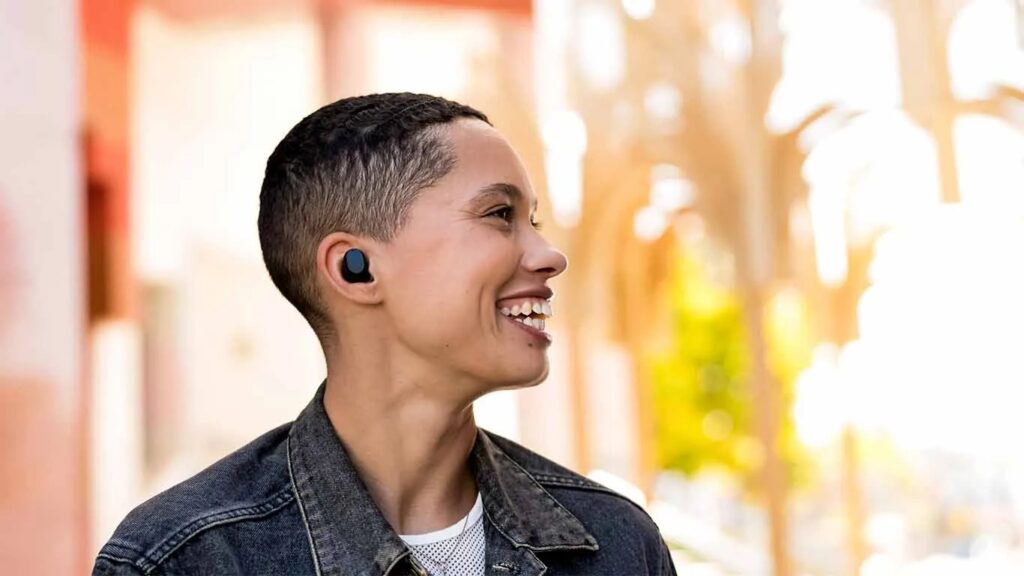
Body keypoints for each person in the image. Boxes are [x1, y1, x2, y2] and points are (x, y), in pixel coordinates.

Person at [93, 93, 678, 576]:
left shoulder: (618, 546)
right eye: (500, 214)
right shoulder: (182, 561)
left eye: (535, 222)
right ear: (357, 269)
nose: (549, 256)